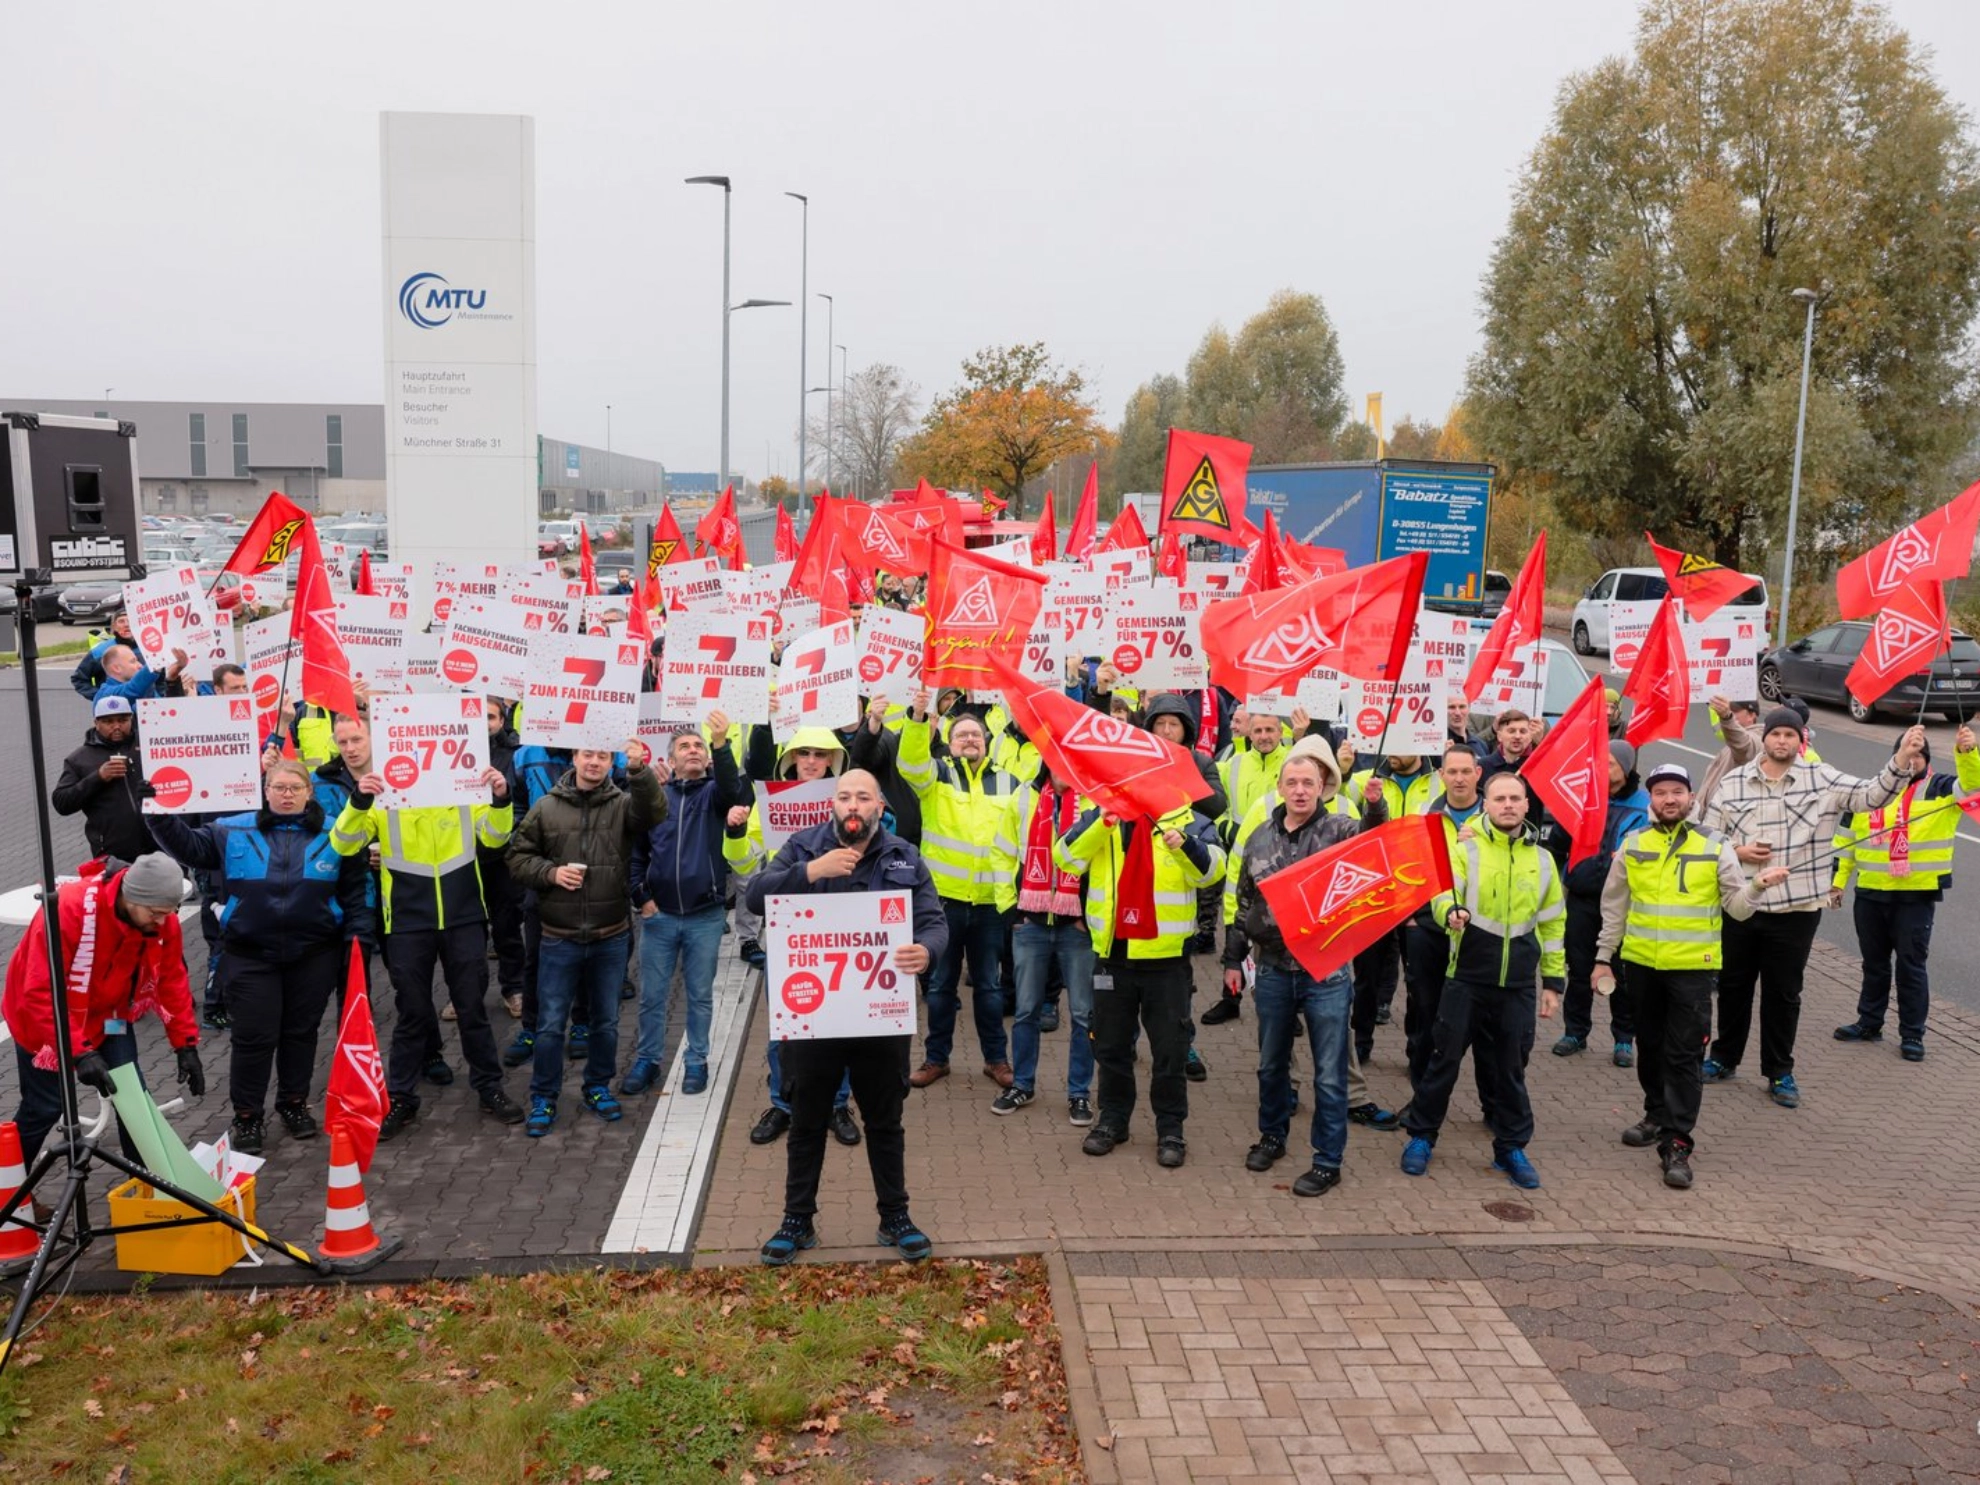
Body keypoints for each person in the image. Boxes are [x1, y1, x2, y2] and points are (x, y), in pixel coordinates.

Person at [746, 769, 947, 1266]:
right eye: (844, 797)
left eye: (863, 797)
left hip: (879, 1016)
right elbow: (755, 896)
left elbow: (934, 920)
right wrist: (811, 873)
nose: (853, 805)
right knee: (807, 1120)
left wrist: (926, 951)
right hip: (814, 1016)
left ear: (880, 806)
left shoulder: (904, 855)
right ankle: (798, 1219)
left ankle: (894, 1216)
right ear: (831, 805)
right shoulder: (802, 847)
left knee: (885, 1120)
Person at [147, 760, 374, 1154]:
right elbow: (188, 847)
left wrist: (358, 938)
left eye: (295, 788)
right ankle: (247, 1116)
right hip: (251, 953)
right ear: (265, 790)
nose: (287, 795)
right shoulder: (231, 828)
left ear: (309, 792)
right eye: (279, 787)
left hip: (314, 952)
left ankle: (293, 1104)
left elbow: (356, 890)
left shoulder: (337, 832)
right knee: (253, 1037)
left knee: (300, 1034)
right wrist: (156, 813)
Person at [1697, 711, 1919, 1107]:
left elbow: (1872, 796)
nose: (1781, 741)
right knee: (1733, 988)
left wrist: (1901, 757)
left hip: (1797, 909)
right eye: (1775, 734)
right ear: (1764, 739)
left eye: (1789, 734)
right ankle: (1723, 1058)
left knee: (1784, 994)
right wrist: (1737, 850)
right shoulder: (1733, 783)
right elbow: (1709, 840)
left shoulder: (1824, 779)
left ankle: (1779, 1072)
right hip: (1741, 905)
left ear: (1800, 740)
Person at [1595, 763, 1788, 1189]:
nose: (1669, 799)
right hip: (1641, 965)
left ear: (1690, 798)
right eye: (1660, 792)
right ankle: (1655, 1114)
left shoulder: (1716, 846)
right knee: (1650, 1047)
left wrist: (1758, 887)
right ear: (1651, 799)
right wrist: (1603, 957)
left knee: (1683, 1056)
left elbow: (1737, 908)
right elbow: (1615, 907)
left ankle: (1677, 1142)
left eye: (1677, 792)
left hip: (1693, 971)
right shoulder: (1633, 844)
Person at [331, 755, 527, 1135]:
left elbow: (495, 838)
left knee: (472, 1008)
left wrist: (501, 799)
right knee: (413, 1012)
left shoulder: (466, 792)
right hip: (407, 921)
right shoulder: (385, 797)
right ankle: (402, 1097)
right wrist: (358, 800)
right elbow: (341, 843)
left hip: (464, 916)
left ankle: (489, 1087)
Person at [1225, 744, 1383, 1197]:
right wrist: (1232, 959)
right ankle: (1272, 1136)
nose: (1299, 790)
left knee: (1329, 1073)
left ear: (1323, 788)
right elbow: (1244, 903)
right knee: (1271, 1064)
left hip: (1326, 973)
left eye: (1308, 783)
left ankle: (1327, 1161)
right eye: (1291, 783)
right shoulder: (1258, 838)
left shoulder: (1340, 829)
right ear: (1279, 787)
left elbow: (1374, 840)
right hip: (1273, 970)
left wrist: (1375, 804)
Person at [1402, 770, 1564, 1190]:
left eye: (1515, 798)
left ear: (1527, 805)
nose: (1508, 805)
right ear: (1485, 805)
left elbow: (1552, 924)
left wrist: (1553, 983)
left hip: (1517, 985)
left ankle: (1510, 1146)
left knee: (1510, 1069)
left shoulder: (1543, 860)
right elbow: (1443, 892)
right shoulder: (1465, 848)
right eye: (1500, 799)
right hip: (1467, 977)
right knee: (1443, 1061)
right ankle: (1421, 1137)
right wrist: (1448, 913)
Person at [1, 855, 204, 1170]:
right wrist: (80, 1053)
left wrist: (186, 1044)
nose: (163, 922)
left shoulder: (159, 916)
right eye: (155, 914)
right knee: (44, 1106)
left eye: (170, 912)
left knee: (132, 1098)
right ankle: (11, 1191)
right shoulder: (68, 909)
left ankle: (147, 1183)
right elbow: (40, 993)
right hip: (41, 1017)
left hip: (110, 1015)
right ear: (130, 897)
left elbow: (171, 978)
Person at [505, 741, 664, 1136]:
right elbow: (517, 857)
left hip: (611, 935)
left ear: (613, 763)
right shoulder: (546, 807)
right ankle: (544, 1096)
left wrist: (641, 771)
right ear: (575, 758)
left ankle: (597, 1087)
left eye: (603, 757)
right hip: (559, 936)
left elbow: (654, 812)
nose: (594, 762)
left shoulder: (623, 804)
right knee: (550, 1024)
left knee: (606, 1022)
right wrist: (551, 874)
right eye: (588, 755)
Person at [1057, 796, 1225, 1169]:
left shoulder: (1190, 820)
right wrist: (1100, 823)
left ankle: (1170, 1129)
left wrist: (1186, 845)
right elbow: (1064, 858)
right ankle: (1113, 1121)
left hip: (1166, 960)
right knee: (1111, 1047)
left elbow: (1213, 872)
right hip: (1113, 956)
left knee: (1170, 1051)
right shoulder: (1102, 812)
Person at [729, 729, 859, 1147]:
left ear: (832, 762)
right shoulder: (767, 803)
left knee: (838, 1026)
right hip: (789, 929)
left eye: (820, 755)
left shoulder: (848, 804)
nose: (810, 761)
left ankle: (837, 1104)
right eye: (802, 753)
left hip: (839, 930)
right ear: (790, 759)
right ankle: (784, 1104)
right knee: (785, 1027)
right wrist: (733, 832)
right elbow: (746, 864)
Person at [1830, 725, 1979, 1062]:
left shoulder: (1940, 788)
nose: (1914, 761)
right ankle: (1869, 1023)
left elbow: (1972, 786)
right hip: (1870, 892)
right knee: (1874, 964)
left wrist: (1967, 753)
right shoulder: (1873, 790)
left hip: (1915, 896)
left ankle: (1912, 1033)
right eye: (1908, 754)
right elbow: (1844, 843)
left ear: (1927, 759)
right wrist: (1838, 881)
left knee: (1911, 966)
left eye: (1920, 755)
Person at [624, 715, 751, 1097]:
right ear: (671, 760)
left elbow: (732, 787)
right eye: (685, 747)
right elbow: (637, 853)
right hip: (658, 916)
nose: (693, 751)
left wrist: (720, 743)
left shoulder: (715, 794)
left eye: (698, 746)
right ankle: (647, 1060)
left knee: (699, 995)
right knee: (652, 996)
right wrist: (640, 897)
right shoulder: (656, 798)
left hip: (705, 917)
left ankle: (697, 1061)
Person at [898, 694, 1019, 1089]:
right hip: (943, 904)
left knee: (988, 986)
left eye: (976, 734)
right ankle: (936, 1059)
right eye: (961, 734)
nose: (970, 739)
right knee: (939, 986)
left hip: (988, 904)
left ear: (987, 740)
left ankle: (996, 1060)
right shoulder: (936, 776)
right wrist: (918, 719)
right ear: (949, 743)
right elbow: (910, 764)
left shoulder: (1009, 781)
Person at [989, 767, 1097, 1122]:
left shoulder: (1095, 801)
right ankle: (1022, 1084)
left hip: (1077, 928)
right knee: (1026, 1010)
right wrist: (1010, 909)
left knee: (1082, 1014)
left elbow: (1104, 863)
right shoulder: (1024, 797)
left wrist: (1090, 916)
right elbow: (1002, 853)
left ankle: (1079, 1093)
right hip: (1031, 922)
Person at [1553, 741, 1648, 1066]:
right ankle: (1575, 1032)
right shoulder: (1583, 799)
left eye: (1609, 764)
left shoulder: (1644, 804)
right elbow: (1558, 845)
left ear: (1626, 767)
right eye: (1598, 763)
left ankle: (1624, 1039)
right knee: (1579, 970)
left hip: (1624, 902)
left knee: (1621, 973)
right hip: (1582, 897)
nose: (1602, 769)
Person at [1401, 744, 1487, 1094]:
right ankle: (1422, 1096)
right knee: (1427, 1013)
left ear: (1478, 774)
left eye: (1466, 771)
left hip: (1480, 931)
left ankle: (1493, 1103)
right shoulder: (1425, 815)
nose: (1459, 779)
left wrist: (1480, 841)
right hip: (1430, 929)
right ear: (1441, 776)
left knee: (1482, 1024)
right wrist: (1412, 917)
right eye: (1452, 772)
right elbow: (1408, 867)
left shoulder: (1496, 815)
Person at [53, 695, 154, 865]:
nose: (116, 726)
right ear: (96, 723)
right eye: (108, 721)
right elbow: (62, 803)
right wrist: (97, 778)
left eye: (122, 720)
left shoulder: (150, 746)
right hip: (113, 854)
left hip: (160, 845)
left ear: (132, 719)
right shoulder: (79, 759)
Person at [1691, 696, 1761, 821]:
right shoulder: (1732, 743)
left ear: (1751, 715)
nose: (1728, 712)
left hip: (1723, 820)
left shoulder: (1756, 739)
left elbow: (1743, 744)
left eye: (1734, 711)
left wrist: (1727, 718)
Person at [68, 610, 140, 701]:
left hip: (147, 709)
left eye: (130, 621)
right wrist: (100, 697)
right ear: (114, 627)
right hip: (113, 710)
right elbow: (79, 679)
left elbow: (160, 680)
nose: (126, 624)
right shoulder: (101, 651)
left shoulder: (149, 649)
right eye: (121, 621)